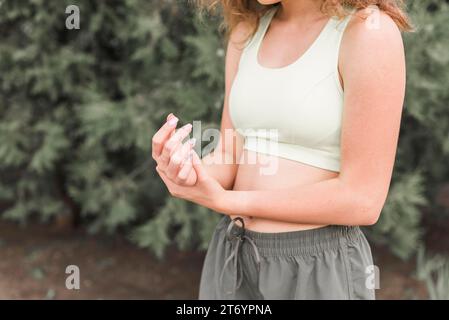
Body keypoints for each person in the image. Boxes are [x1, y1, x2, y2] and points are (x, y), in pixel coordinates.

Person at [151, 0, 411, 299]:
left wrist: (230, 200)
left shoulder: (368, 33)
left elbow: (363, 200)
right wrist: (188, 172)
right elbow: (229, 155)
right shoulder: (247, 30)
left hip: (316, 265)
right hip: (233, 253)